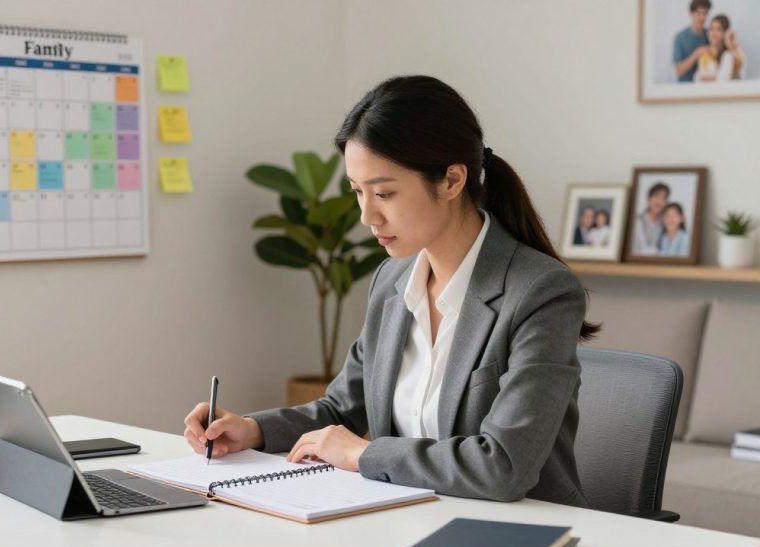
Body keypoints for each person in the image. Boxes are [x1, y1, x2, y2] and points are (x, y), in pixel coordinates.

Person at [183, 76, 599, 506]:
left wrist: (363, 453)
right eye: (357, 192)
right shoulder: (391, 282)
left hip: (522, 532)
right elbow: (341, 409)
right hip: (406, 517)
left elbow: (504, 467)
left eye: (384, 193)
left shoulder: (540, 292)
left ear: (452, 180)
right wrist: (253, 430)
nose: (367, 216)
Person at [694, 15, 744, 82]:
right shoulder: (705, 55)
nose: (714, 33)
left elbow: (731, 78)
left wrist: (730, 44)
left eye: (719, 29)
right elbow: (698, 79)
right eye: (711, 29)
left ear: (725, 32)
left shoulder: (732, 54)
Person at [673, 0, 712, 83]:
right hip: (685, 88)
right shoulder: (680, 38)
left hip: (706, 88)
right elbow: (678, 71)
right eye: (698, 13)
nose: (702, 17)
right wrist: (697, 54)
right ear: (691, 14)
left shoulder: (710, 35)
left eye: (705, 13)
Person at [632, 183, 670, 256]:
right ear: (649, 198)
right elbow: (641, 249)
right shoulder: (637, 220)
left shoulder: (664, 222)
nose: (659, 201)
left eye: (663, 198)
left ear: (666, 203)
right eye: (656, 196)